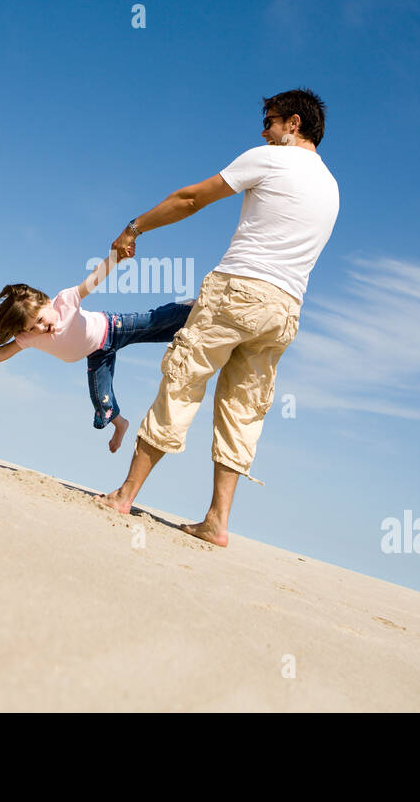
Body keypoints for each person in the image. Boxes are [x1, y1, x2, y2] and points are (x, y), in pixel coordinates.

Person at [95, 88, 340, 546]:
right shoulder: (331, 186)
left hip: (239, 289)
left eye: (269, 122)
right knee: (244, 410)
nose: (263, 132)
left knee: (182, 381)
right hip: (286, 308)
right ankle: (216, 522)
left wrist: (135, 227)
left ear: (293, 124)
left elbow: (191, 199)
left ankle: (125, 495)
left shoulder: (271, 159)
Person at [0, 248, 195, 453]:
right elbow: (4, 352)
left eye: (40, 319)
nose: (41, 327)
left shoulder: (65, 300)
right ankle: (120, 423)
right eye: (33, 327)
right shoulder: (29, 337)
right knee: (101, 401)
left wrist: (114, 257)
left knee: (155, 322)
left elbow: (93, 280)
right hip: (97, 354)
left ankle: (188, 309)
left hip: (113, 328)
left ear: (47, 302)